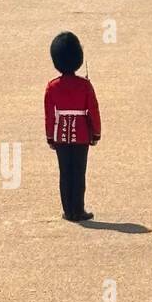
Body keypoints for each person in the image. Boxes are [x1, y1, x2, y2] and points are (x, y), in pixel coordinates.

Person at [44, 31, 101, 223]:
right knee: (78, 173)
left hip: (60, 134)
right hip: (82, 134)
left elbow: (50, 114)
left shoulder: (52, 87)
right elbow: (93, 110)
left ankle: (68, 210)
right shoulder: (84, 85)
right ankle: (78, 209)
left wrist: (50, 137)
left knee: (65, 173)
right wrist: (96, 132)